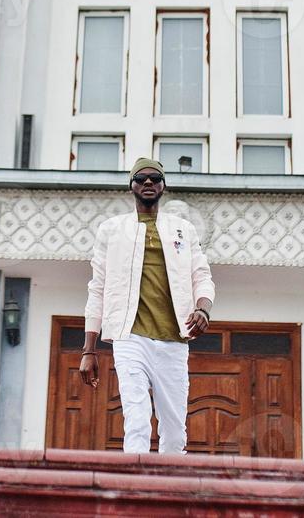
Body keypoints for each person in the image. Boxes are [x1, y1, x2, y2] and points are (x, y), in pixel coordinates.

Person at [80, 157, 215, 454]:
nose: (149, 183)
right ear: (131, 187)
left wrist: (203, 308)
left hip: (174, 340)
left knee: (175, 430)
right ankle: (134, 490)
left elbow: (202, 277)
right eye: (141, 179)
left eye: (155, 178)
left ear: (164, 186)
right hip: (130, 338)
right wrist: (89, 349)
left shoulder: (183, 229)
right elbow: (97, 288)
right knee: (137, 419)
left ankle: (169, 493)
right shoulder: (111, 230)